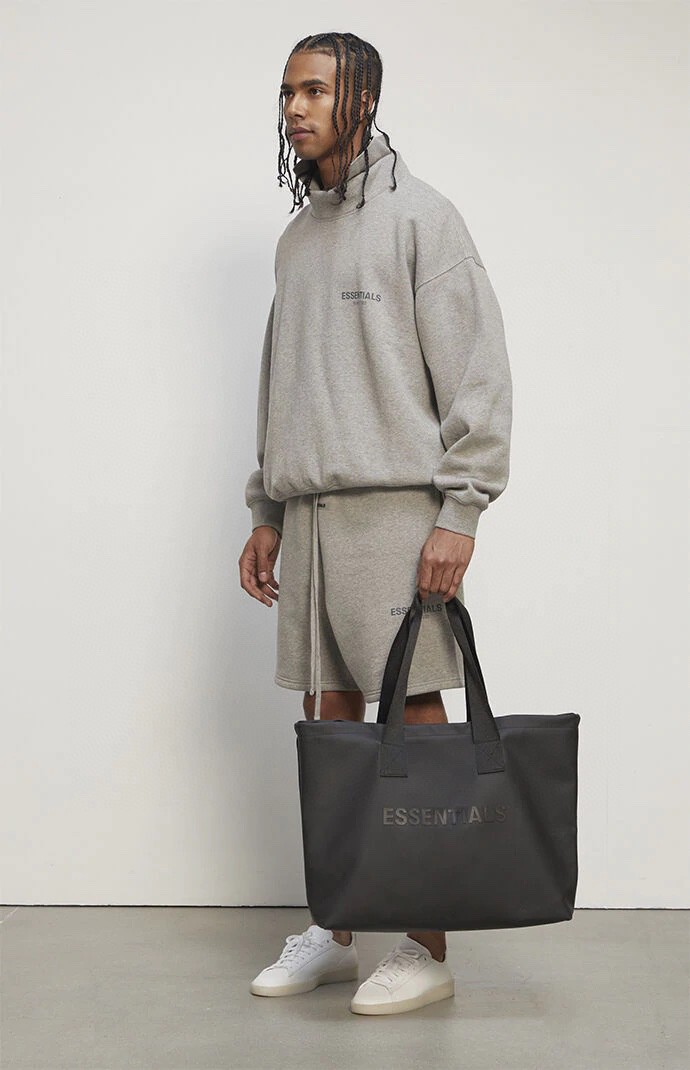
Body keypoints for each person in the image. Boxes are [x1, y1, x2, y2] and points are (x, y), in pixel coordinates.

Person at [238, 31, 513, 1016]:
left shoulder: (422, 219)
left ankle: (426, 943)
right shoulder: (297, 239)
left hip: (397, 513)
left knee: (417, 720)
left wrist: (459, 512)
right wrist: (267, 507)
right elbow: (282, 383)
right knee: (331, 723)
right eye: (288, 92)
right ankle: (339, 920)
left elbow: (478, 373)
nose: (296, 108)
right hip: (309, 516)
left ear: (362, 98)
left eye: (316, 90)